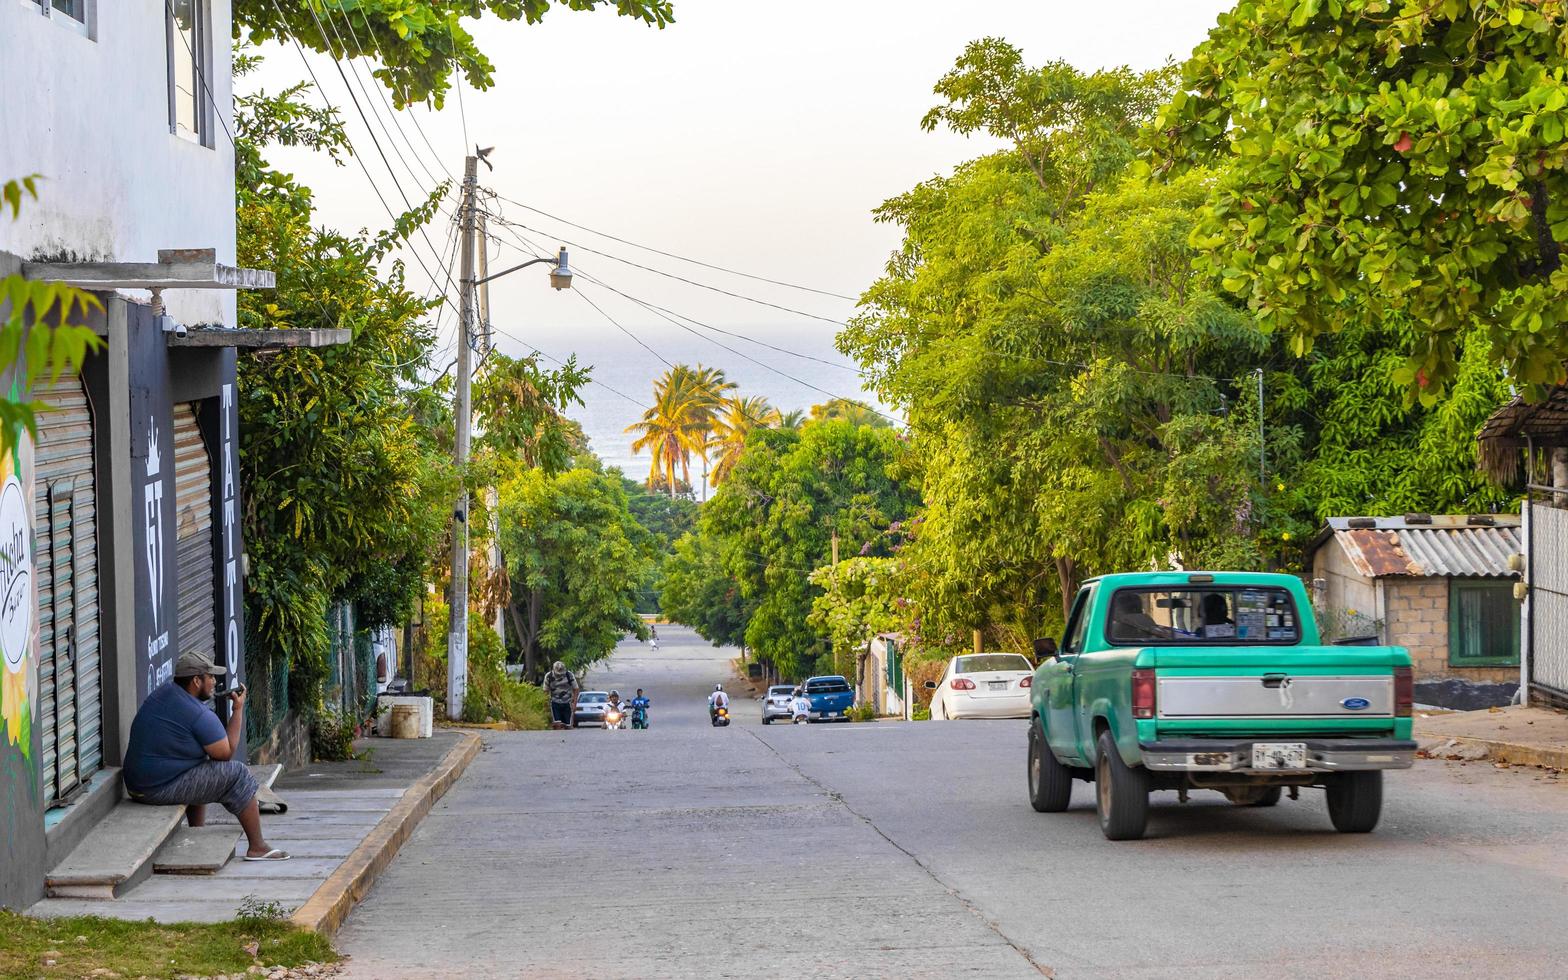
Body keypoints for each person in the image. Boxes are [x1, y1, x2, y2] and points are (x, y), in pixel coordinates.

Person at [122, 651, 289, 861]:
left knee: (200, 763)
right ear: (196, 680)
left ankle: (197, 833)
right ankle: (257, 846)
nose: (214, 681)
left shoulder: (164, 693)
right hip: (155, 789)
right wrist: (237, 710)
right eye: (210, 677)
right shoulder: (197, 713)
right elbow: (225, 754)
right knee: (237, 773)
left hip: (136, 784)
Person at [544, 661, 579, 730]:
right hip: (554, 703)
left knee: (568, 725)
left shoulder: (569, 675)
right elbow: (545, 691)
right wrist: (546, 705)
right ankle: (557, 739)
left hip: (567, 703)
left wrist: (574, 704)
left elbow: (576, 689)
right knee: (557, 724)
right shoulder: (549, 676)